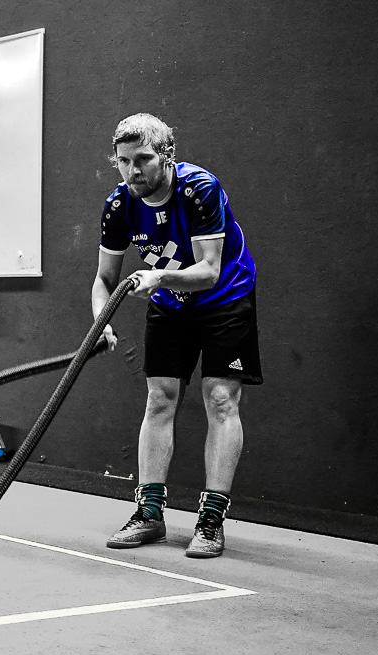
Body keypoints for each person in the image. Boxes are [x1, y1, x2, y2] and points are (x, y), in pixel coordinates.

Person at [92, 113, 262, 559]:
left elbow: (208, 271)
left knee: (220, 398)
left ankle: (211, 519)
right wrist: (100, 322)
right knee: (159, 398)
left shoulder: (200, 190)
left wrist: (158, 278)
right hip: (169, 303)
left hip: (225, 297)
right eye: (123, 161)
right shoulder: (119, 204)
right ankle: (149, 514)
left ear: (166, 156)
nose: (133, 171)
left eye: (143, 160)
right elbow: (104, 279)